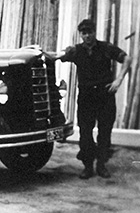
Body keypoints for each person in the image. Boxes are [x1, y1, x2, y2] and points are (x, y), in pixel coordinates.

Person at [47, 19, 132, 179]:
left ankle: (101, 165)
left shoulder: (106, 48)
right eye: (84, 33)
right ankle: (87, 167)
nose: (87, 36)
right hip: (86, 97)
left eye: (90, 32)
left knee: (104, 132)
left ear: (95, 32)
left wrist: (118, 80)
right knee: (85, 133)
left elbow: (127, 59)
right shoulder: (76, 51)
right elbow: (57, 57)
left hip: (104, 95)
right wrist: (42, 53)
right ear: (80, 35)